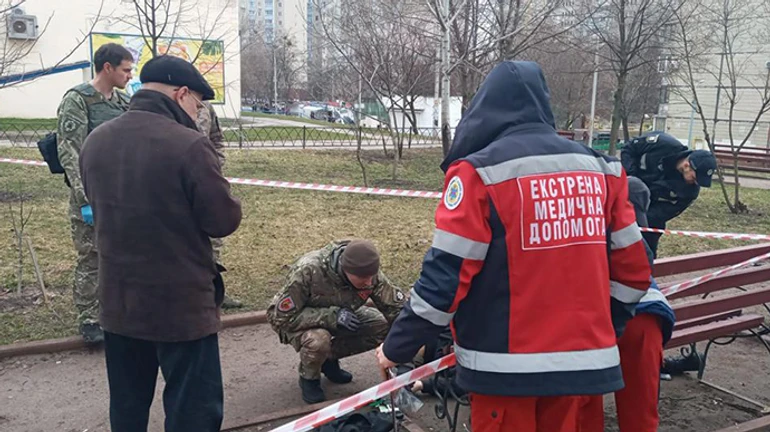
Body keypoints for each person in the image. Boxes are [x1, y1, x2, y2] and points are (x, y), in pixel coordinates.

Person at [375, 61, 652, 432]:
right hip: (579, 372)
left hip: (503, 373)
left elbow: (446, 278)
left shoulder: (477, 174)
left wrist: (396, 347)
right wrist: (601, 331)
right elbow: (635, 275)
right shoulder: (606, 171)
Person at [79, 55, 242, 432]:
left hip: (119, 302)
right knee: (193, 409)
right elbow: (222, 221)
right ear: (181, 93)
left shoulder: (96, 140)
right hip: (180, 306)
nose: (198, 113)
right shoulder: (189, 146)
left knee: (128, 404)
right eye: (198, 104)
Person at [578, 177, 676, 432]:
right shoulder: (634, 234)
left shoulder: (583, 216)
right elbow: (641, 267)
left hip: (594, 324)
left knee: (584, 408)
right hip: (647, 320)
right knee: (640, 413)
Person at [56, 43, 134, 343]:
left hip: (123, 194)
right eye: (126, 70)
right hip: (92, 194)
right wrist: (85, 199)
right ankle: (89, 320)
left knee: (121, 255)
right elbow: (70, 152)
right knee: (92, 257)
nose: (129, 75)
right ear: (108, 68)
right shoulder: (78, 100)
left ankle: (116, 312)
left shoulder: (123, 103)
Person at [266, 239, 407, 404]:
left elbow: (396, 309)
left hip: (342, 313)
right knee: (318, 340)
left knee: (380, 325)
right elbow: (281, 317)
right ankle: (309, 377)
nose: (369, 283)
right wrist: (332, 317)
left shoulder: (367, 272)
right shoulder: (308, 270)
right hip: (299, 318)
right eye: (363, 278)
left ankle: (328, 359)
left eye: (371, 277)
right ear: (345, 269)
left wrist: (408, 344)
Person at [620, 132, 718, 257]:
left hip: (647, 222)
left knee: (645, 255)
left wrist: (638, 216)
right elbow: (629, 149)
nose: (696, 182)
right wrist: (630, 176)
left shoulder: (689, 192)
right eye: (694, 177)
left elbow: (663, 213)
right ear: (687, 165)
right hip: (622, 192)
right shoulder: (662, 144)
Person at [196, 101, 243, 309]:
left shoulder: (205, 106)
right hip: (178, 185)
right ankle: (195, 296)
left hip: (206, 184)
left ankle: (215, 292)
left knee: (213, 242)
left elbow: (216, 139)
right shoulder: (169, 105)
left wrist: (214, 166)